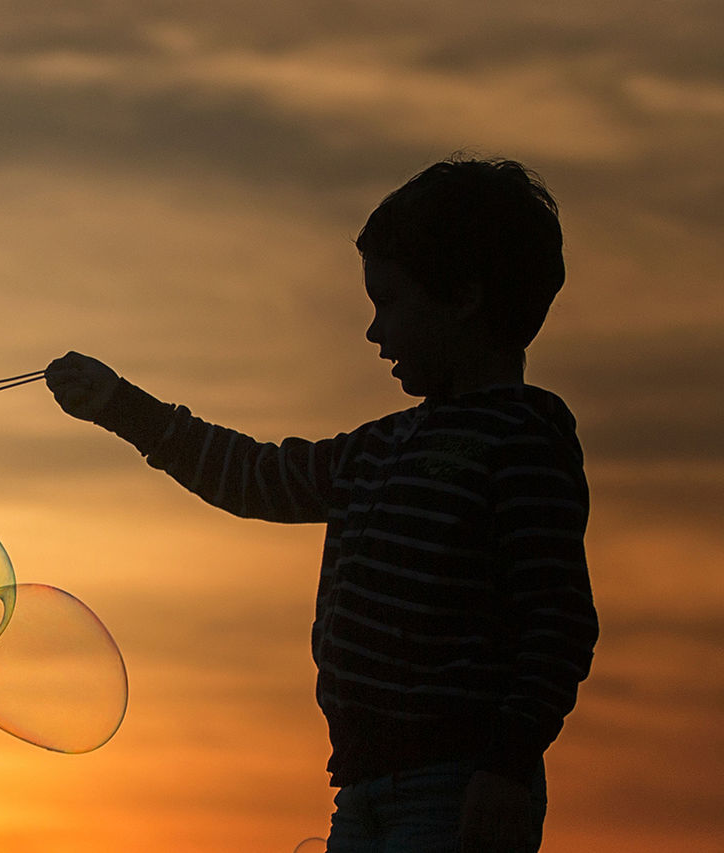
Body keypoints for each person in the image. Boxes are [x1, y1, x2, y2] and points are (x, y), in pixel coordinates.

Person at [44, 157, 599, 853]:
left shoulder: (522, 436)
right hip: (364, 790)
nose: (374, 332)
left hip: (453, 790)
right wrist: (123, 407)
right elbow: (255, 476)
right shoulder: (374, 450)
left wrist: (510, 763)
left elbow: (557, 621)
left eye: (389, 303)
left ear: (464, 298)